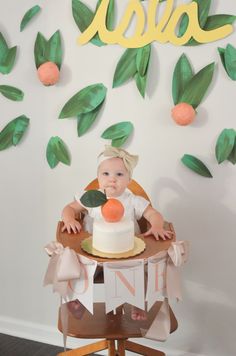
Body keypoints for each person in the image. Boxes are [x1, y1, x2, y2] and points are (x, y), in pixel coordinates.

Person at [61, 145, 173, 320]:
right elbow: (69, 208)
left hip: (127, 256)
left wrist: (157, 226)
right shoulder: (92, 198)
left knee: (139, 272)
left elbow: (153, 214)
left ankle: (136, 304)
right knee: (81, 269)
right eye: (106, 174)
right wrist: (69, 219)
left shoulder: (133, 201)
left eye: (119, 175)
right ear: (98, 177)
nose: (112, 179)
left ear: (129, 180)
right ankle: (78, 301)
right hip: (94, 254)